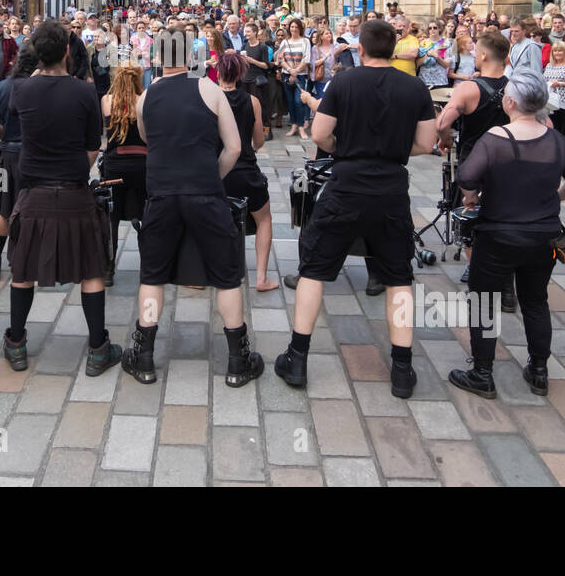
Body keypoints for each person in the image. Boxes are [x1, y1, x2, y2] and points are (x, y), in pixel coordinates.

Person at [274, 19, 436, 395]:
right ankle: (401, 370)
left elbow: (319, 134)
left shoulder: (344, 82)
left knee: (314, 270)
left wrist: (342, 150)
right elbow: (426, 144)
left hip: (346, 186)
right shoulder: (414, 86)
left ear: (360, 49)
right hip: (392, 189)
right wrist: (392, 153)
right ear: (393, 50)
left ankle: (297, 359)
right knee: (398, 277)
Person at [123, 24, 261, 388]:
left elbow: (149, 140)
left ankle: (145, 356)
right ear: (190, 56)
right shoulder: (209, 89)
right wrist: (211, 176)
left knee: (152, 275)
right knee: (227, 275)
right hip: (205, 192)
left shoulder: (146, 96)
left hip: (162, 194)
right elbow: (234, 147)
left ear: (156, 57)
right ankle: (237, 360)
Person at [447, 71, 565, 399]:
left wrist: (475, 197)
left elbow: (466, 177)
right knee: (536, 301)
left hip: (498, 234)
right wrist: (557, 196)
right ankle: (539, 370)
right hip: (543, 235)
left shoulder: (495, 138)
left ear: (510, 102)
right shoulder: (557, 140)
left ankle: (482, 373)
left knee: (483, 300)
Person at [4, 21, 121, 377]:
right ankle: (98, 348)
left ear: (37, 54)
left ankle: (17, 343)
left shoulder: (21, 90)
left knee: (22, 269)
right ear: (69, 52)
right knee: (92, 269)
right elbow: (92, 148)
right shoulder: (85, 93)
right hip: (74, 191)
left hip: (33, 191)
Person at [436, 31, 512, 291]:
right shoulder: (515, 87)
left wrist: (445, 139)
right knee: (503, 220)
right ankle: (507, 286)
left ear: (483, 55)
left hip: (473, 164)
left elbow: (443, 122)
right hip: (508, 164)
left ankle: (480, 274)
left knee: (471, 219)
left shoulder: (469, 88)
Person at [217, 53, 276, 291]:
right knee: (264, 219)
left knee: (203, 217)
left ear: (218, 73)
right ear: (241, 74)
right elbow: (259, 141)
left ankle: (202, 275)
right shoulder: (252, 101)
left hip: (216, 173)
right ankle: (261, 277)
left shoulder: (208, 99)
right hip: (245, 171)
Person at [0, 45, 40, 282]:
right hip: (34, 156)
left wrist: (1, 133)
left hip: (6, 157)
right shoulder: (40, 89)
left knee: (2, 207)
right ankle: (28, 260)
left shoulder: (2, 87)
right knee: (34, 205)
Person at [98, 63, 147, 288]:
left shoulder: (107, 101)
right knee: (147, 214)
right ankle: (149, 264)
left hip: (114, 164)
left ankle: (108, 268)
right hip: (143, 164)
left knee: (111, 218)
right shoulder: (144, 100)